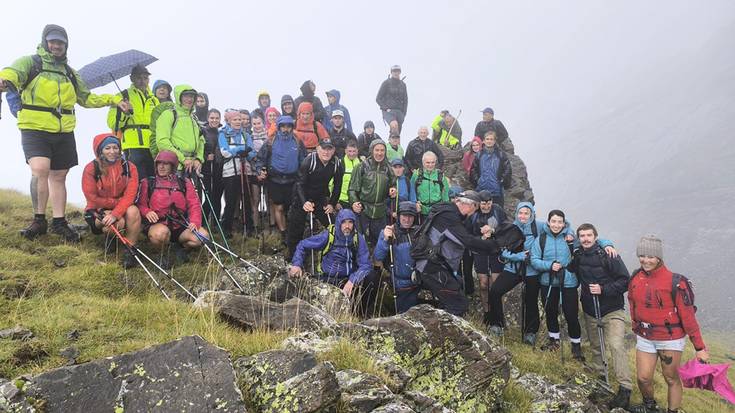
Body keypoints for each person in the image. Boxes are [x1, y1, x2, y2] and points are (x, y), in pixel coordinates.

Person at [0, 24, 130, 242]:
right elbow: (13, 73)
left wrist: (114, 100)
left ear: (66, 45)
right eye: (52, 41)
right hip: (35, 127)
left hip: (64, 129)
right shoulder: (30, 63)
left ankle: (59, 221)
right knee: (40, 168)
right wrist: (5, 79)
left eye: (60, 42)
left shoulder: (70, 73)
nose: (56, 45)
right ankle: (39, 220)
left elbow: (87, 98)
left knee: (59, 176)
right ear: (45, 42)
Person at [627, 235, 709, 413]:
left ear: (659, 258)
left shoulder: (676, 282)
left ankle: (672, 411)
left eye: (651, 256)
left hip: (669, 339)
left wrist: (699, 347)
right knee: (643, 378)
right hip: (645, 337)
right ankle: (650, 406)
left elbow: (688, 317)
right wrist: (635, 326)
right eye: (642, 255)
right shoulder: (635, 277)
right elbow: (632, 303)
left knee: (671, 378)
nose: (646, 260)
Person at [567, 223, 633, 410]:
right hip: (590, 309)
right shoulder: (578, 254)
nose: (586, 238)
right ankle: (601, 382)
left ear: (596, 237)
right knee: (596, 347)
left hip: (612, 310)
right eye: (582, 236)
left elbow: (625, 281)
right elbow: (571, 267)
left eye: (589, 235)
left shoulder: (609, 254)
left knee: (615, 345)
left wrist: (603, 289)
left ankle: (625, 389)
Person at [413, 191, 500, 316]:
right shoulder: (449, 217)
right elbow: (466, 240)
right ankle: (443, 332)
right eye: (475, 209)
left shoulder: (448, 212)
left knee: (455, 289)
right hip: (432, 267)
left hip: (432, 265)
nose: (473, 214)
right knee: (459, 304)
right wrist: (495, 245)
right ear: (470, 205)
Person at [289, 209, 378, 317]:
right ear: (338, 223)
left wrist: (352, 281)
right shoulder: (328, 235)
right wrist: (297, 264)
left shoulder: (357, 238)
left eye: (350, 222)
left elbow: (366, 265)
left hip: (348, 280)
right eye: (344, 222)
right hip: (328, 278)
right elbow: (303, 245)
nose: (347, 226)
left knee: (373, 278)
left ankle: (358, 314)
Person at [137, 150, 207, 269]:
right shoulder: (148, 182)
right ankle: (163, 252)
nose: (162, 166)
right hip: (159, 224)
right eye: (159, 163)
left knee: (202, 237)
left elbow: (194, 204)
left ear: (173, 166)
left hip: (180, 224)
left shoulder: (184, 182)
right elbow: (140, 204)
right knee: (159, 235)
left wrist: (195, 221)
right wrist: (147, 212)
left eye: (166, 163)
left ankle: (180, 248)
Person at [81, 134, 141, 268]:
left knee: (134, 211)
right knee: (116, 224)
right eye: (107, 148)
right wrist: (116, 207)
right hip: (98, 209)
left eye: (115, 148)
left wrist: (116, 212)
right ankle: (110, 238)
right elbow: (92, 198)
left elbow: (131, 194)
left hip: (121, 207)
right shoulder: (91, 168)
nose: (112, 151)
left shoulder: (129, 167)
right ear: (99, 150)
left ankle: (130, 250)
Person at [287, 138, 344, 259]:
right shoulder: (309, 161)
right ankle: (293, 258)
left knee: (332, 225)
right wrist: (304, 202)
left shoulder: (336, 163)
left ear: (333, 150)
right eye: (324, 148)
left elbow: (337, 186)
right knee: (296, 227)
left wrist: (332, 204)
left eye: (329, 149)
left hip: (320, 197)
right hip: (301, 196)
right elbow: (299, 184)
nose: (326, 152)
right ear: (318, 149)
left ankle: (334, 254)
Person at [256, 116, 307, 243]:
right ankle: (283, 233)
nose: (286, 129)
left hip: (292, 181)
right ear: (279, 127)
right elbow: (260, 159)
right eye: (283, 126)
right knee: (278, 207)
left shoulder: (297, 142)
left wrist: (304, 176)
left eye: (288, 126)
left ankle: (291, 232)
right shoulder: (270, 141)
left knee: (290, 208)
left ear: (292, 127)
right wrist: (259, 170)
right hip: (275, 180)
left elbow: (303, 161)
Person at [106, 64, 158, 179]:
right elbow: (112, 124)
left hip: (153, 146)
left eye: (145, 78)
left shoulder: (154, 100)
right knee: (137, 180)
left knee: (154, 181)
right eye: (139, 77)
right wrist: (124, 113)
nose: (142, 81)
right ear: (132, 78)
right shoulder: (121, 96)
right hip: (132, 145)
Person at [465, 190, 507, 327]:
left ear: (492, 202)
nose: (486, 207)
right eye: (483, 204)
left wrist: (493, 231)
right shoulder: (473, 215)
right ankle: (487, 313)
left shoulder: (498, 211)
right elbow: (467, 236)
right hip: (479, 253)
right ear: (479, 203)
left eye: (489, 204)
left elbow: (506, 227)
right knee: (483, 284)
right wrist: (481, 239)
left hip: (495, 252)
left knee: (496, 286)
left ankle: (498, 315)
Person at [349, 140, 397, 248]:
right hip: (364, 211)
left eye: (382, 150)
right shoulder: (361, 167)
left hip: (381, 211)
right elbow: (352, 189)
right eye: (377, 150)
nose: (379, 153)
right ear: (371, 150)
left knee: (380, 241)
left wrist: (393, 189)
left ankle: (379, 264)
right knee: (361, 242)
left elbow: (393, 184)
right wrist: (354, 202)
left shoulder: (388, 168)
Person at [374, 201, 420, 313]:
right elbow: (377, 257)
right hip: (399, 284)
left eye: (410, 216)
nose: (407, 219)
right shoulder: (389, 231)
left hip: (418, 282)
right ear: (398, 216)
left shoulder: (419, 232)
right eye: (404, 215)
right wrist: (385, 240)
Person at [218, 110, 255, 237]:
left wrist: (240, 151)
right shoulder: (223, 134)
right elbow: (225, 152)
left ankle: (248, 227)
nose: (238, 122)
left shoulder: (246, 135)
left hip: (246, 171)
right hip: (230, 172)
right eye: (235, 119)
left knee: (247, 201)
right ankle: (226, 227)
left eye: (239, 119)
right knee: (231, 201)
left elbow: (251, 152)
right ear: (228, 121)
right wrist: (241, 149)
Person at [154, 85, 205, 175]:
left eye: (192, 96)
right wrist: (183, 159)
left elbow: (201, 140)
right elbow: (162, 141)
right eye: (186, 96)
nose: (189, 99)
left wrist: (198, 159)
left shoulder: (194, 118)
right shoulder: (168, 115)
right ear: (179, 97)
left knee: (193, 189)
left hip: (192, 167)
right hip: (174, 167)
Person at [470, 130, 511, 207]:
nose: (489, 141)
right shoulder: (479, 155)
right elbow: (473, 170)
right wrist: (477, 181)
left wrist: (501, 181)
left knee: (496, 213)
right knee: (480, 213)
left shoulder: (501, 154)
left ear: (495, 141)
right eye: (487, 139)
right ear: (483, 141)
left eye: (491, 139)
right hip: (481, 189)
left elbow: (508, 169)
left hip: (496, 191)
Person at [410, 151, 449, 217]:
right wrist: (414, 203)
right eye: (427, 162)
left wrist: (446, 207)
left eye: (432, 162)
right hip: (421, 210)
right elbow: (411, 190)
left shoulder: (440, 175)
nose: (430, 165)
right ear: (423, 162)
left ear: (435, 162)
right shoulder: (417, 174)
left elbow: (445, 192)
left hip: (437, 210)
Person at [201, 108, 224, 223]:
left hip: (219, 168)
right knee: (209, 196)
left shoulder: (222, 132)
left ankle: (216, 221)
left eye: (217, 118)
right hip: (207, 169)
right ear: (208, 118)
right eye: (212, 118)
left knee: (217, 196)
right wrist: (206, 157)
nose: (214, 120)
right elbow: (199, 149)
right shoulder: (203, 131)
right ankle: (203, 221)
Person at [248, 116, 269, 229]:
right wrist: (257, 171)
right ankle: (256, 227)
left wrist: (265, 171)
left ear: (263, 123)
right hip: (254, 172)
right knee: (255, 200)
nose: (256, 126)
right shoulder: (249, 137)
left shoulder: (269, 137)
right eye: (254, 124)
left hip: (267, 172)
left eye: (259, 123)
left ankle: (270, 225)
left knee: (268, 199)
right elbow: (250, 156)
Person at [376, 65, 408, 135]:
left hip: (400, 112)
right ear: (391, 72)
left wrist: (404, 113)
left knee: (397, 133)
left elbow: (405, 100)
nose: (396, 73)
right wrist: (386, 109)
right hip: (389, 111)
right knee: (394, 125)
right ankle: (392, 144)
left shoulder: (403, 85)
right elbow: (378, 98)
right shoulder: (386, 83)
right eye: (394, 71)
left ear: (400, 72)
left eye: (398, 71)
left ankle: (394, 145)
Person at [336, 141, 361, 210]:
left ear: (357, 151)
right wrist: (335, 202)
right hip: (342, 202)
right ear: (345, 151)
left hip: (358, 202)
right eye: (349, 151)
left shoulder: (362, 163)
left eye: (354, 151)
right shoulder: (340, 163)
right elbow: (332, 184)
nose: (352, 154)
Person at [388, 158, 411, 223]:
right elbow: (383, 201)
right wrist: (391, 213)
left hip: (404, 215)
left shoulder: (407, 181)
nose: (398, 170)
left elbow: (412, 199)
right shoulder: (387, 181)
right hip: (389, 217)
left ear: (403, 168)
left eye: (400, 167)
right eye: (395, 167)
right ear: (391, 168)